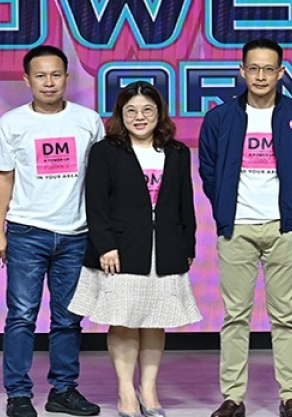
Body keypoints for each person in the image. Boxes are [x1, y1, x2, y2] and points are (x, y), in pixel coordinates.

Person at [198, 38, 292, 417]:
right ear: (242, 71)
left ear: (281, 72)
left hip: (284, 228)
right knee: (235, 317)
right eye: (254, 68)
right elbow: (208, 170)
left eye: (269, 69)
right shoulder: (220, 118)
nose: (261, 76)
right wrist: (225, 209)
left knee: (285, 316)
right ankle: (233, 398)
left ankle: (290, 396)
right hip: (237, 229)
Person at [69, 82, 202, 417]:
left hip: (166, 249)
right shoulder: (105, 151)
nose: (139, 117)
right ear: (120, 114)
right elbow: (96, 203)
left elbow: (185, 202)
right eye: (131, 111)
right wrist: (105, 245)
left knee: (156, 320)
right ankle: (126, 391)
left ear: (159, 113)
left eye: (147, 110)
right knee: (124, 321)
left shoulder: (177, 152)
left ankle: (149, 389)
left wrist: (187, 244)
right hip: (121, 250)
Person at [0, 45, 104, 417]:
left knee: (68, 318)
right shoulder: (12, 123)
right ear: (27, 80)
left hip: (76, 234)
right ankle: (18, 394)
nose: (48, 82)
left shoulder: (88, 121)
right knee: (22, 315)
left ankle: (63, 390)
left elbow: (100, 179)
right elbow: (2, 180)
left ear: (67, 78)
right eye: (40, 75)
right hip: (26, 232)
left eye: (55, 75)